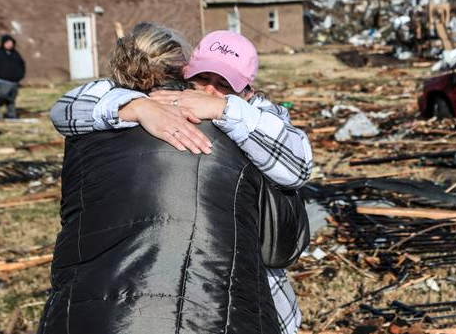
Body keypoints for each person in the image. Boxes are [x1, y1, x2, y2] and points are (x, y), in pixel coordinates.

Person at [50, 28, 312, 334]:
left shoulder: (259, 114)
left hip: (254, 285)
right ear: (186, 73)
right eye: (203, 79)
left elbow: (299, 165)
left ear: (247, 91)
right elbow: (63, 110)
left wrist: (224, 111)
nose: (211, 90)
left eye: (225, 85)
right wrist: (137, 107)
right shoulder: (159, 101)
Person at [0, 34, 25, 119]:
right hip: (3, 81)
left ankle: (11, 116)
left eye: (11, 42)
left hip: (15, 82)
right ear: (3, 43)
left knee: (11, 100)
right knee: (2, 98)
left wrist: (20, 75)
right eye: (8, 42)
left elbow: (22, 64)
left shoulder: (16, 54)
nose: (10, 44)